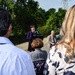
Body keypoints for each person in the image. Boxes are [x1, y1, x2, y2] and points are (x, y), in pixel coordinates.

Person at [0, 8, 35, 75]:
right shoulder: (22, 57)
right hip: (30, 42)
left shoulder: (35, 32)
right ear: (10, 27)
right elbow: (28, 37)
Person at [43, 5, 75, 75]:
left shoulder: (56, 51)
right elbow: (48, 41)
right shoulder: (49, 37)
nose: (53, 34)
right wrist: (52, 43)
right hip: (52, 45)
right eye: (52, 33)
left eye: (54, 33)